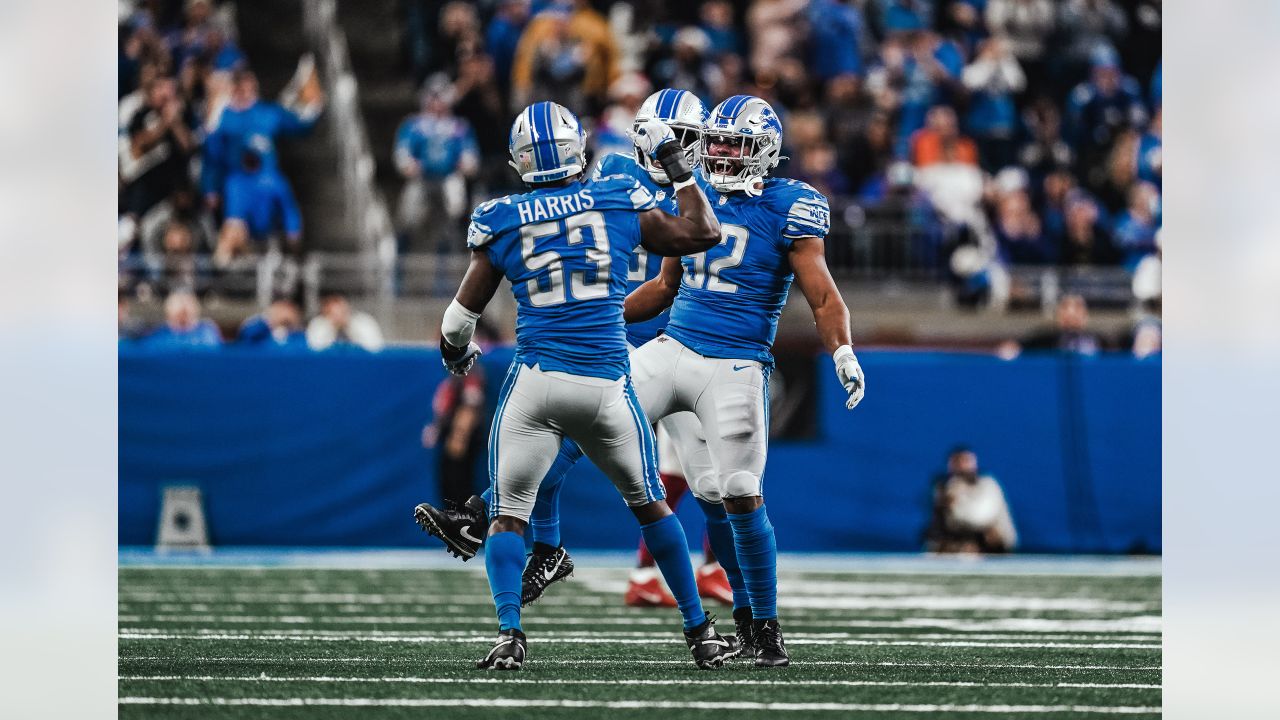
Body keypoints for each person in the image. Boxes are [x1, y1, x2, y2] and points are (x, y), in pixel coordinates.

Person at [415, 101, 732, 670]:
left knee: (509, 514)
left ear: (519, 160)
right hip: (607, 382)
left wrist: (458, 355)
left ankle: (511, 633)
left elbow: (457, 323)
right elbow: (703, 231)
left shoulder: (503, 216)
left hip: (536, 382)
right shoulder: (615, 197)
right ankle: (700, 633)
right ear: (576, 148)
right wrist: (676, 163)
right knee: (652, 507)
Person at [624, 95, 867, 667]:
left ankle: (763, 626)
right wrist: (604, 319)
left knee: (735, 492)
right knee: (588, 401)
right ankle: (498, 514)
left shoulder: (790, 206)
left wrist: (843, 351)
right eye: (716, 141)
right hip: (676, 347)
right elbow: (663, 287)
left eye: (734, 143)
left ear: (763, 150)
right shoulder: (695, 194)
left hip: (737, 363)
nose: (722, 152)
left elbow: (823, 295)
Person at [924, 446, 1018, 554]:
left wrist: (955, 505)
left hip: (993, 549)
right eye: (956, 462)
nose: (961, 466)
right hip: (960, 546)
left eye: (965, 461)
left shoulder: (988, 484)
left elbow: (981, 517)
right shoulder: (944, 486)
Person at [305, 294, 385, 352]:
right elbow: (314, 348)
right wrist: (330, 326)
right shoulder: (318, 324)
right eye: (332, 313)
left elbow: (376, 347)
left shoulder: (363, 321)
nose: (338, 317)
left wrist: (350, 325)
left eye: (342, 312)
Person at [144, 290, 222, 348]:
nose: (184, 307)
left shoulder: (206, 331)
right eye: (180, 303)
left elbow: (215, 351)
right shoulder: (160, 334)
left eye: (187, 303)